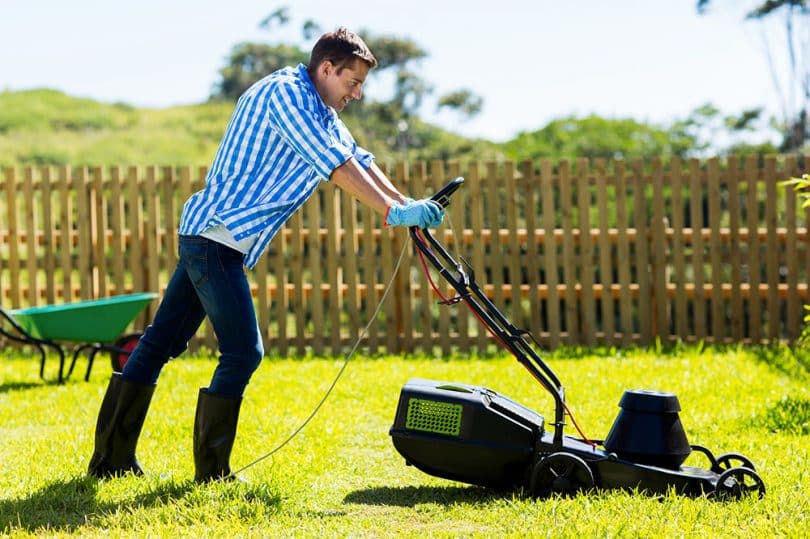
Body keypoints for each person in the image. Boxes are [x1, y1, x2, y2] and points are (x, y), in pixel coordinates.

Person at [87, 27, 444, 483]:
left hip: (216, 239)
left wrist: (407, 205)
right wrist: (393, 212)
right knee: (243, 352)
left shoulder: (321, 108)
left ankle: (110, 460)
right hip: (216, 237)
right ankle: (210, 472)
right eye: (353, 82)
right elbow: (333, 164)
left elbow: (358, 158)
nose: (357, 94)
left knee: (160, 343)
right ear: (327, 68)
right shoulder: (286, 95)